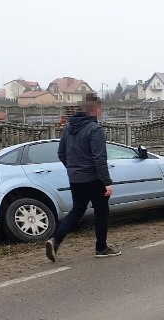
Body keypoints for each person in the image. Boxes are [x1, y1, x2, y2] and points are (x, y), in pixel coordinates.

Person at [45, 94, 120, 261]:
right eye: (99, 109)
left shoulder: (69, 128)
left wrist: (73, 169)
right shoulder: (95, 129)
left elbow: (61, 153)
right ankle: (101, 248)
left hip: (75, 179)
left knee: (77, 211)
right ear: (94, 109)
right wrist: (107, 182)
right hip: (93, 179)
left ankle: (55, 240)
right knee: (101, 212)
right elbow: (99, 158)